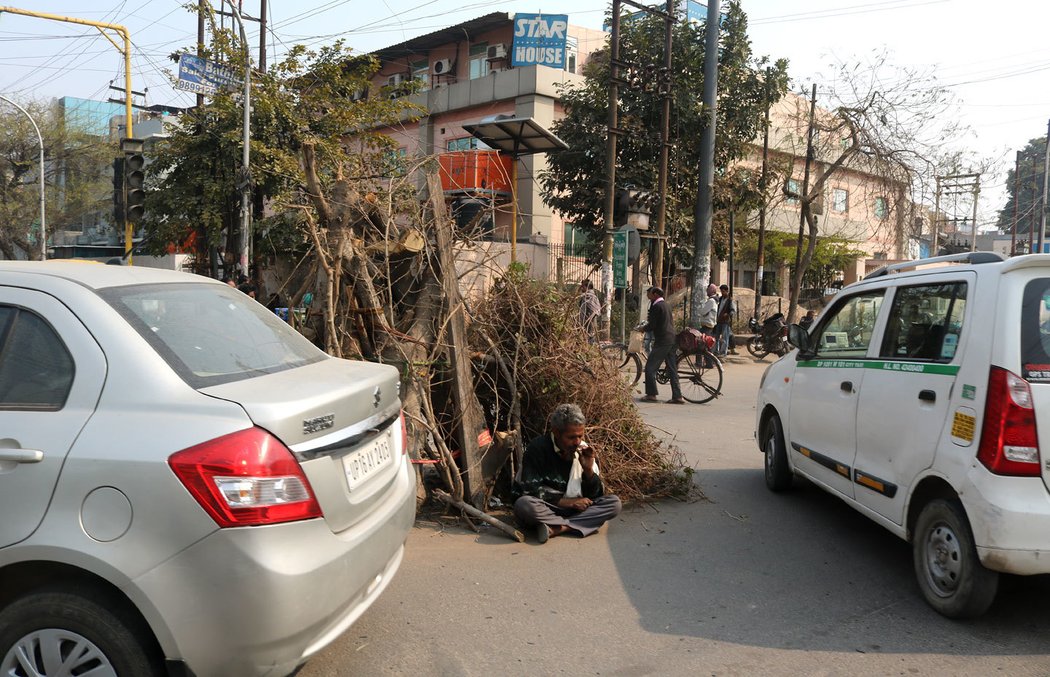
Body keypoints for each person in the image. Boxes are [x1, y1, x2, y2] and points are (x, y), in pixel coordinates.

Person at [513, 404, 623, 543]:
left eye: (580, 436)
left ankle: (558, 528)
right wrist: (569, 503)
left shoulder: (583, 451)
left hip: (575, 509)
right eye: (571, 437)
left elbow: (595, 496)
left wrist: (588, 470)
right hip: (549, 507)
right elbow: (530, 491)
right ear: (556, 432)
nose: (577, 442)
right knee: (524, 505)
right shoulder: (537, 449)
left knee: (614, 503)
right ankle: (577, 524)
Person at [638, 286, 685, 404]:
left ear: (655, 294)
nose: (648, 296)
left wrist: (643, 329)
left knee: (650, 367)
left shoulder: (656, 306)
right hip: (671, 338)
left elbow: (652, 325)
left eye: (649, 293)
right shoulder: (666, 304)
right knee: (672, 368)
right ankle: (677, 396)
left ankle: (651, 394)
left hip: (663, 340)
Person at [715, 284, 737, 356]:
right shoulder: (720, 299)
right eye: (721, 291)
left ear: (727, 291)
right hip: (718, 321)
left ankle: (723, 352)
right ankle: (716, 351)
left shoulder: (730, 300)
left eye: (723, 291)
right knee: (716, 337)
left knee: (725, 337)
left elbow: (733, 311)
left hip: (725, 322)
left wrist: (727, 314)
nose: (722, 293)